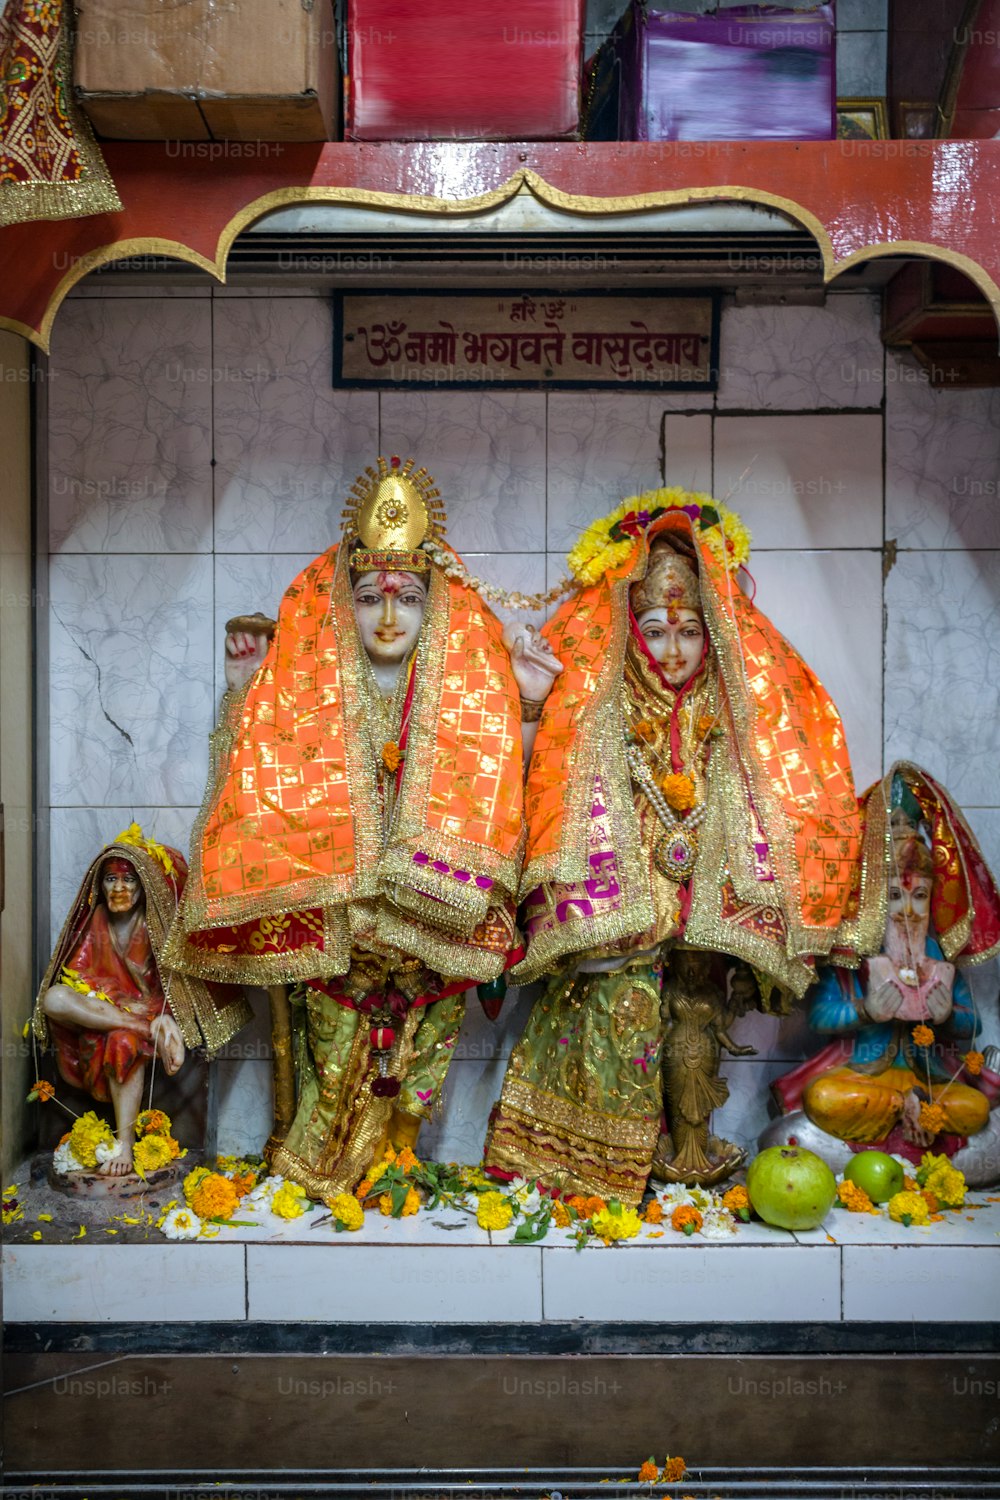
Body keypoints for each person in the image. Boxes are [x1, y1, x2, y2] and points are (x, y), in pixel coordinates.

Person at [164, 457, 559, 1198]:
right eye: (372, 597)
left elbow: (516, 796)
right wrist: (244, 693)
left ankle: (405, 1157)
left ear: (432, 607)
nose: (388, 618)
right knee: (334, 1056)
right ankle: (327, 1167)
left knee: (430, 1044)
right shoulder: (309, 682)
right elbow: (250, 787)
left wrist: (530, 704)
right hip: (343, 923)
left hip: (436, 912)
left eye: (408, 599)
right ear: (344, 605)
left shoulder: (467, 685)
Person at [483, 489, 862, 1205]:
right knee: (615, 1002)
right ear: (628, 629)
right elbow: (536, 785)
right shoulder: (604, 697)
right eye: (654, 631)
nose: (674, 650)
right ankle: (590, 1160)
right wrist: (533, 703)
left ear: (715, 631)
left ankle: (691, 1146)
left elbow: (785, 784)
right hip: (623, 910)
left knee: (696, 1021)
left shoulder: (736, 699)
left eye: (690, 631)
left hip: (706, 903)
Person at [770, 764, 1000, 1161]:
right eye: (895, 896)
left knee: (974, 1107)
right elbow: (820, 1016)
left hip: (931, 1082)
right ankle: (904, 1113)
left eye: (919, 897)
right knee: (823, 1097)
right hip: (862, 1077)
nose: (908, 911)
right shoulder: (852, 950)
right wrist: (865, 1009)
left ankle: (903, 1126)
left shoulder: (938, 954)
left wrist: (949, 1016)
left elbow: (972, 1021)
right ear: (876, 899)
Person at [34, 827, 249, 1174]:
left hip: (143, 1009)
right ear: (99, 886)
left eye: (128, 880)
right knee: (55, 998)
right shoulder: (97, 919)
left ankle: (124, 1146)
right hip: (104, 1009)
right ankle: (143, 1029)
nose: (119, 889)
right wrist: (112, 1005)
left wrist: (158, 1017)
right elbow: (76, 978)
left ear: (143, 885)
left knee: (121, 1042)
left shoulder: (154, 924)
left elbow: (171, 986)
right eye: (110, 880)